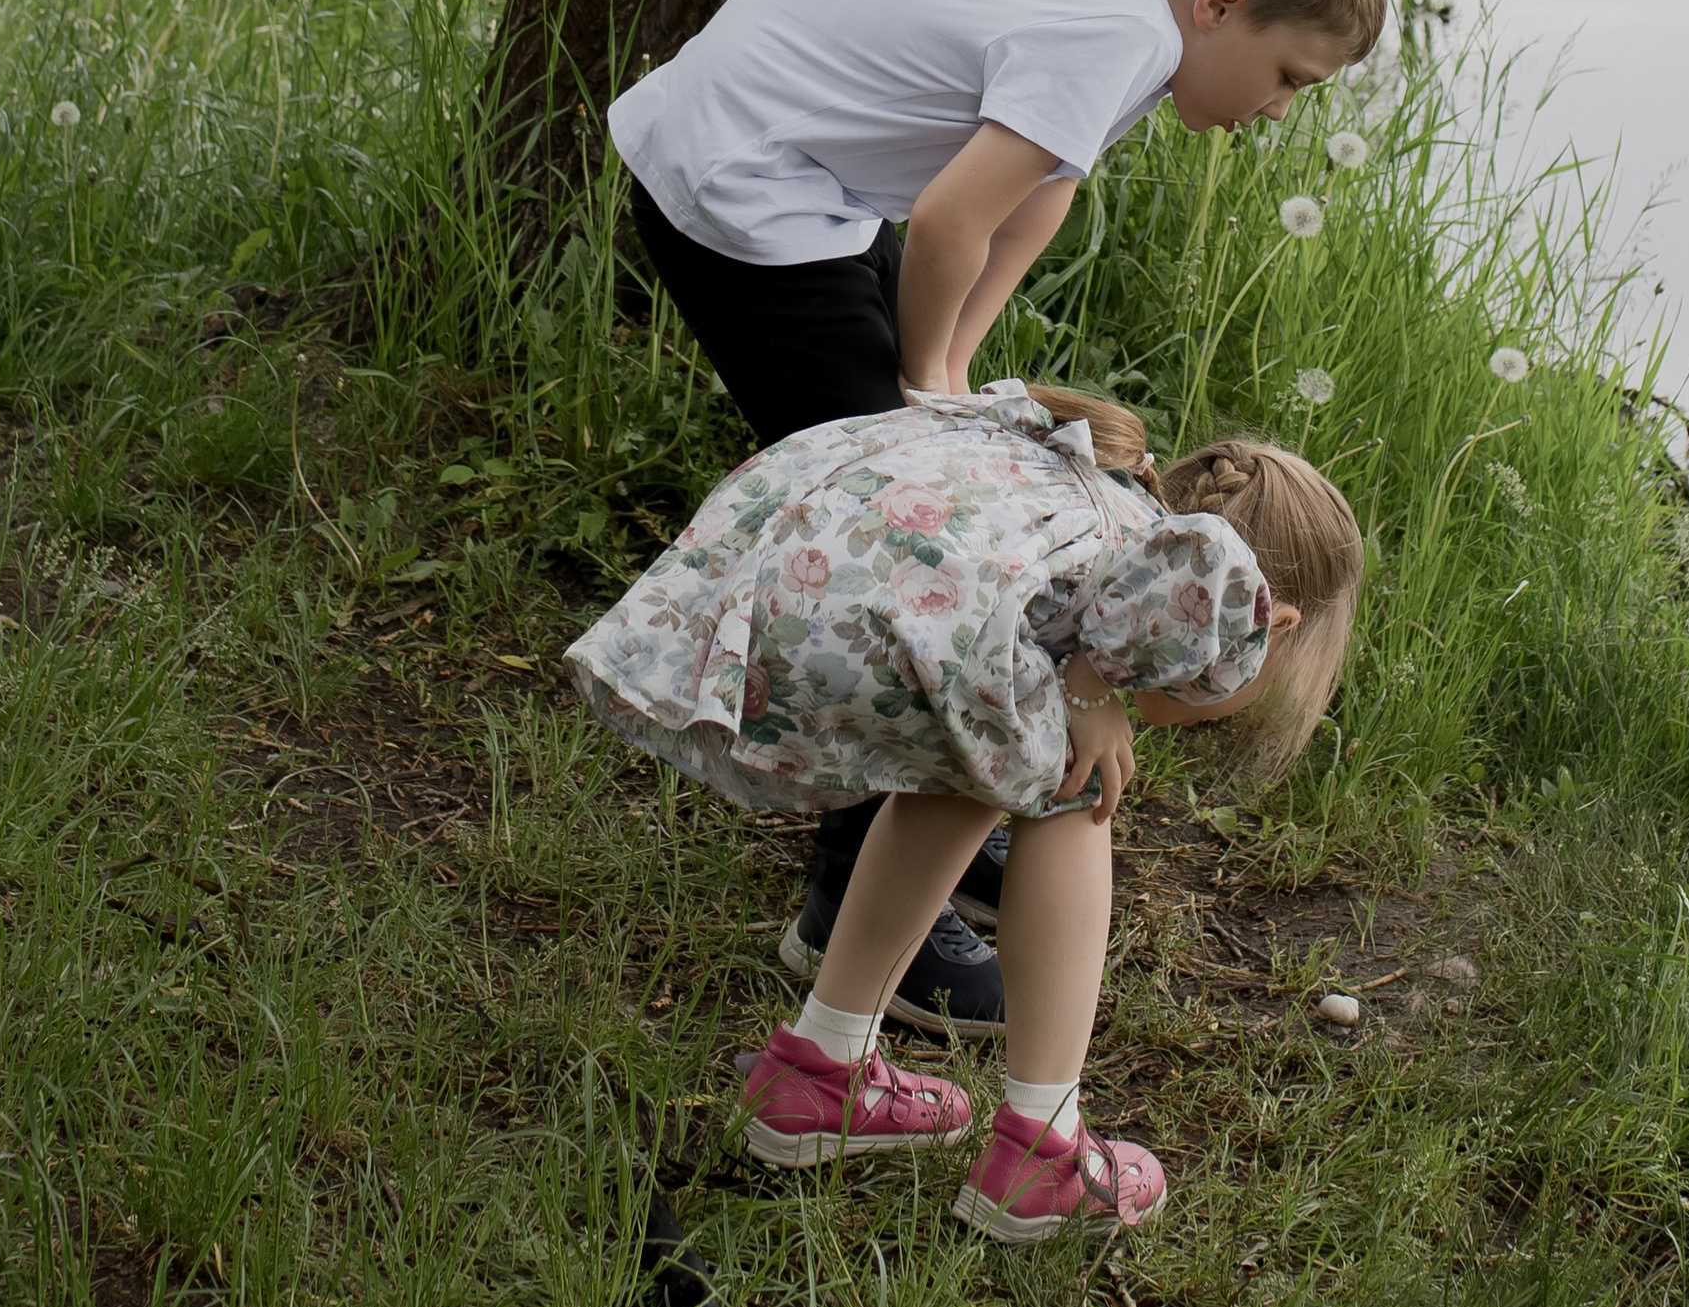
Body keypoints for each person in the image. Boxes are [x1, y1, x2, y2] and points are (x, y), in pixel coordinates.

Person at [605, 0, 1387, 1035]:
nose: (1280, 110)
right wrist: (924, 402)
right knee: (918, 553)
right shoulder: (1114, 33)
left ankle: (930, 835)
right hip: (747, 192)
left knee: (938, 505)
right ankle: (855, 904)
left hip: (778, 162)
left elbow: (1039, 193)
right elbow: (949, 218)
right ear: (1219, 4)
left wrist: (959, 370)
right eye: (1287, 77)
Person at [566, 384, 1364, 1238]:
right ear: (1265, 624)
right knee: (1071, 787)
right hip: (835, 608)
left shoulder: (1110, 501)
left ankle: (820, 1070)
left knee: (980, 767)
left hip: (792, 567)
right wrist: (1091, 686)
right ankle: (1042, 1154)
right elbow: (1204, 568)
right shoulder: (1203, 578)